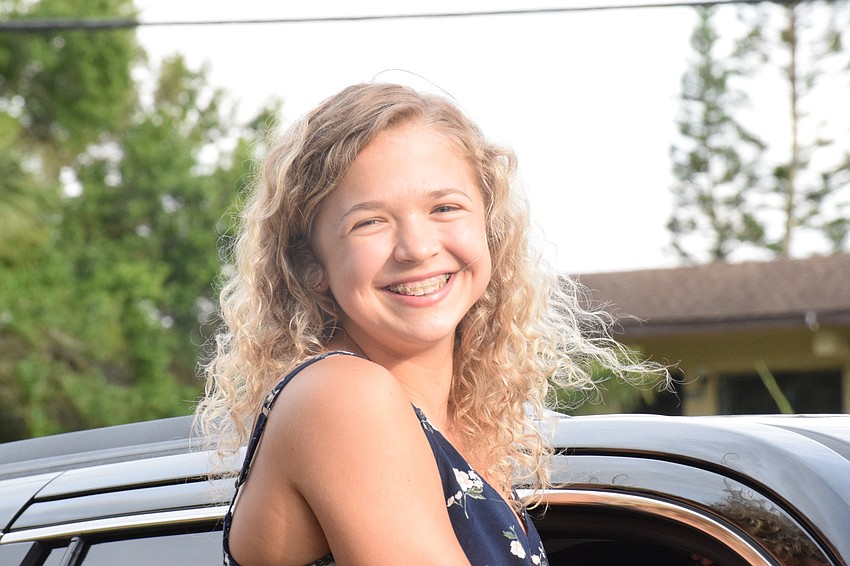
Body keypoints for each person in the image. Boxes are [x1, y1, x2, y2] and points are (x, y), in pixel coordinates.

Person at [196, 82, 657, 565]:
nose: (416, 247)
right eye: (369, 222)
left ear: (489, 229)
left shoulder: (465, 433)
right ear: (312, 266)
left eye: (444, 208)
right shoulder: (343, 397)